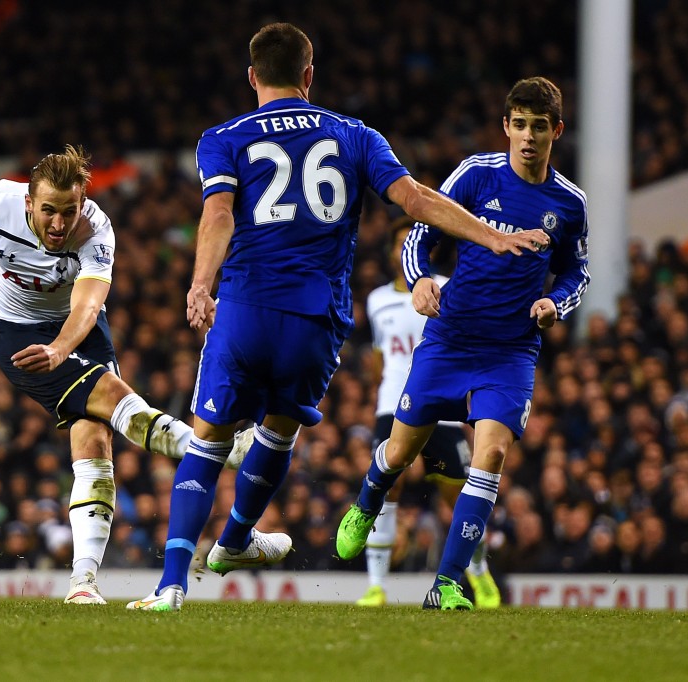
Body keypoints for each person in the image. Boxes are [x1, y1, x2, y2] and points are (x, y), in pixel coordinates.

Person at [126, 23, 546, 611]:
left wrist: (200, 284)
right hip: (315, 319)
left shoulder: (223, 138)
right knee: (278, 429)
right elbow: (416, 200)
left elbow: (219, 213)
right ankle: (239, 537)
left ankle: (172, 586)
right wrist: (490, 235)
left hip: (244, 309)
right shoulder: (354, 135)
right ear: (309, 74)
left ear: (252, 76)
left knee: (207, 443)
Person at [0, 145, 221, 604]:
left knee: (95, 443)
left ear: (83, 203)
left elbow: (89, 304)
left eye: (69, 211)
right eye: (48, 212)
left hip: (76, 329)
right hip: (17, 332)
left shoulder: (96, 228)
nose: (59, 224)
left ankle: (82, 582)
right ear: (28, 203)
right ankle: (215, 449)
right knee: (115, 397)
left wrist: (62, 348)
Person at [336, 76, 591, 610]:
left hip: (510, 352)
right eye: (518, 125)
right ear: (505, 126)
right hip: (450, 339)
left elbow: (577, 273)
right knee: (401, 451)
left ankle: (447, 583)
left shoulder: (569, 203)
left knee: (490, 453)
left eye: (538, 127)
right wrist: (423, 278)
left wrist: (555, 303)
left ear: (556, 132)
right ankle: (367, 499)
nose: (527, 136)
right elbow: (420, 236)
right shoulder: (476, 175)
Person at [356, 216, 500, 608]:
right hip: (392, 404)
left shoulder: (447, 288)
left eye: (411, 243)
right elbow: (378, 358)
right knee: (389, 485)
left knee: (458, 494)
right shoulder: (376, 300)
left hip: (443, 404)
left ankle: (479, 574)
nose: (404, 249)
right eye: (398, 243)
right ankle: (376, 585)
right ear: (392, 251)